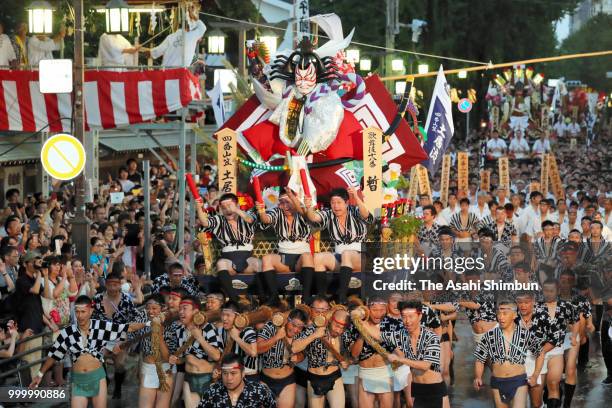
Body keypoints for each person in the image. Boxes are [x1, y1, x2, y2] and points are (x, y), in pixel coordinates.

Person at [304, 187, 373, 303]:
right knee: (318, 257)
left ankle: (342, 295)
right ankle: (322, 296)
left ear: (346, 203)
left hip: (360, 257)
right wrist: (308, 207)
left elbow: (366, 215)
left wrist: (356, 197)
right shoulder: (329, 213)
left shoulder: (355, 211)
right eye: (333, 203)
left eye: (339, 203)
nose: (336, 206)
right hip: (340, 257)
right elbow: (314, 217)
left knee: (347, 254)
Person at [473, 301, 545, 408]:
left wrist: (535, 375)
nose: (501, 317)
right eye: (499, 313)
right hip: (497, 382)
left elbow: (540, 353)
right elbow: (480, 359)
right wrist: (478, 377)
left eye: (505, 313)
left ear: (514, 315)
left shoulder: (524, 334)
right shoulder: (489, 335)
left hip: (519, 381)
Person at [196, 193, 260, 302]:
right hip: (229, 259)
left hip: (247, 257)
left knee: (260, 264)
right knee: (221, 264)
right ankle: (234, 299)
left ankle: (262, 297)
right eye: (224, 208)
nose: (227, 210)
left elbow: (251, 220)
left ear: (237, 205)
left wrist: (236, 210)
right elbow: (205, 223)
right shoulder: (219, 220)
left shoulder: (246, 215)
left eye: (230, 206)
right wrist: (198, 207)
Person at [384, 300, 449, 408]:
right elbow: (377, 335)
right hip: (416, 388)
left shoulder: (431, 337)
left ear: (419, 316)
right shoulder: (400, 335)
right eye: (404, 316)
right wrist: (361, 314)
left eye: (411, 316)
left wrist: (400, 359)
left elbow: (425, 365)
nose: (407, 321)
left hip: (435, 389)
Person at [256, 189, 314, 303]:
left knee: (307, 256)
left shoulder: (303, 213)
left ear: (295, 201)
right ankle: (274, 297)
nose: (285, 206)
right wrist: (261, 210)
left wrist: (293, 197)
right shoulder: (277, 212)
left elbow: (307, 215)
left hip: (301, 259)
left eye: (288, 202)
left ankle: (306, 297)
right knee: (267, 258)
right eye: (282, 202)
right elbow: (266, 219)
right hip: (283, 259)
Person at [91, 271, 139, 399]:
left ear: (119, 285)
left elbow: (134, 319)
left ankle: (118, 387)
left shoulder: (126, 299)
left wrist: (127, 337)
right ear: (106, 285)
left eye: (116, 284)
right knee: (98, 359)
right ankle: (105, 379)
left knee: (120, 365)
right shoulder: (97, 299)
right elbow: (92, 319)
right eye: (110, 284)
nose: (113, 287)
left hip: (120, 336)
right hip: (102, 336)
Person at [292, 307, 351, 408]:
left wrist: (346, 361)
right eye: (337, 326)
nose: (339, 330)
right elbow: (294, 348)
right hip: (314, 378)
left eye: (342, 328)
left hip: (334, 376)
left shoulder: (345, 334)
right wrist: (314, 335)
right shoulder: (314, 328)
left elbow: (347, 354)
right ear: (331, 320)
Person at [170, 295, 222, 408]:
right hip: (189, 378)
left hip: (207, 378)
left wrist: (200, 338)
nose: (181, 312)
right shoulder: (179, 330)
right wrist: (176, 360)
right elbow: (184, 358)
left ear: (196, 311)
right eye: (180, 308)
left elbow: (217, 355)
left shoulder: (208, 328)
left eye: (185, 308)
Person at [347, 297, 399, 408]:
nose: (378, 313)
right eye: (374, 310)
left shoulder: (393, 324)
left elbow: (399, 350)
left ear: (386, 309)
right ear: (367, 308)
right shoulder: (356, 324)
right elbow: (355, 354)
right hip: (365, 373)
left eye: (382, 310)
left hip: (385, 373)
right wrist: (362, 333)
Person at [257, 307, 308, 408]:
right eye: (293, 325)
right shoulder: (272, 326)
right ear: (287, 320)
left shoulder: (301, 333)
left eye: (300, 327)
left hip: (287, 381)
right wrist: (276, 337)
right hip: (266, 379)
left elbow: (303, 354)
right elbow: (258, 349)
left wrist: (298, 357)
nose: (295, 329)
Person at [132, 294, 176, 408]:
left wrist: (158, 334)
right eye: (148, 307)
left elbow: (168, 357)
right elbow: (130, 331)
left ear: (163, 309)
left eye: (154, 308)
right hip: (148, 368)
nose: (150, 311)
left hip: (166, 370)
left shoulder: (171, 325)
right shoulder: (142, 319)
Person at [540, 279, 579, 408]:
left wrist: (573, 336)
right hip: (541, 348)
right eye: (546, 290)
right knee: (543, 385)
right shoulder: (537, 305)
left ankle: (564, 403)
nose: (548, 293)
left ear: (557, 291)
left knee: (554, 382)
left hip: (559, 346)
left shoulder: (565, 306)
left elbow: (576, 321)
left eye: (551, 291)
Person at [198, 353, 277, 408]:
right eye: (225, 373)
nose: (229, 378)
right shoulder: (212, 392)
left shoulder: (259, 390)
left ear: (243, 373)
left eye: (233, 373)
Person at [147, 3, 206, 67]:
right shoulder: (193, 36)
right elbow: (203, 28)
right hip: (178, 73)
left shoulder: (171, 37)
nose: (200, 38)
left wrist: (142, 51)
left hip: (166, 73)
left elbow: (154, 53)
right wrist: (194, 16)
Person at [216, 301, 258, 381]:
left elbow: (253, 352)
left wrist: (236, 338)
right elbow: (218, 355)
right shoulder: (220, 331)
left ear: (237, 316)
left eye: (228, 315)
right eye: (223, 315)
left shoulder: (248, 331)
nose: (224, 319)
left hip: (248, 376)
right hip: (228, 376)